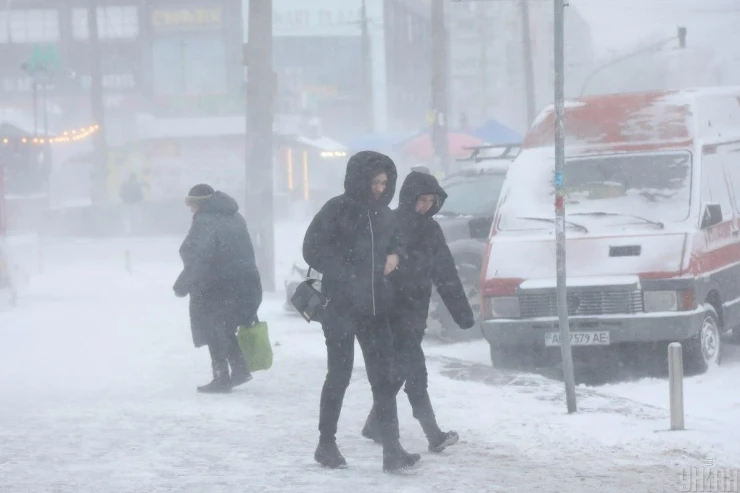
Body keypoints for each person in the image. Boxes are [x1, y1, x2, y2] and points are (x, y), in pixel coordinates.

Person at [302, 150, 421, 473]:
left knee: (383, 378)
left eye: (385, 182)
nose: (381, 188)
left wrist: (396, 255)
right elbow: (311, 248)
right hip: (340, 306)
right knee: (339, 375)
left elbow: (398, 243)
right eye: (375, 182)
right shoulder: (336, 209)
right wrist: (347, 272)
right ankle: (326, 443)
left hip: (375, 308)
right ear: (360, 179)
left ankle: (392, 450)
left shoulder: (384, 215)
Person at [360, 170, 475, 452]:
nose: (425, 206)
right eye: (421, 200)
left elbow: (446, 273)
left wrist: (461, 312)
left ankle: (375, 425)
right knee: (414, 371)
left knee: (399, 372)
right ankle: (433, 434)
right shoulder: (390, 223)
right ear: (409, 197)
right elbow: (372, 266)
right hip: (390, 312)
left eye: (430, 201)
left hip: (415, 314)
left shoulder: (432, 230)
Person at [173, 184, 263, 394]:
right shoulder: (235, 216)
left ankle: (221, 378)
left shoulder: (205, 221)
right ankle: (240, 370)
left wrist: (182, 285)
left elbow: (199, 257)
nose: (190, 208)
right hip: (243, 281)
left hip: (215, 284)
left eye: (192, 203)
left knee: (213, 329)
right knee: (225, 326)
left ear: (200, 202)